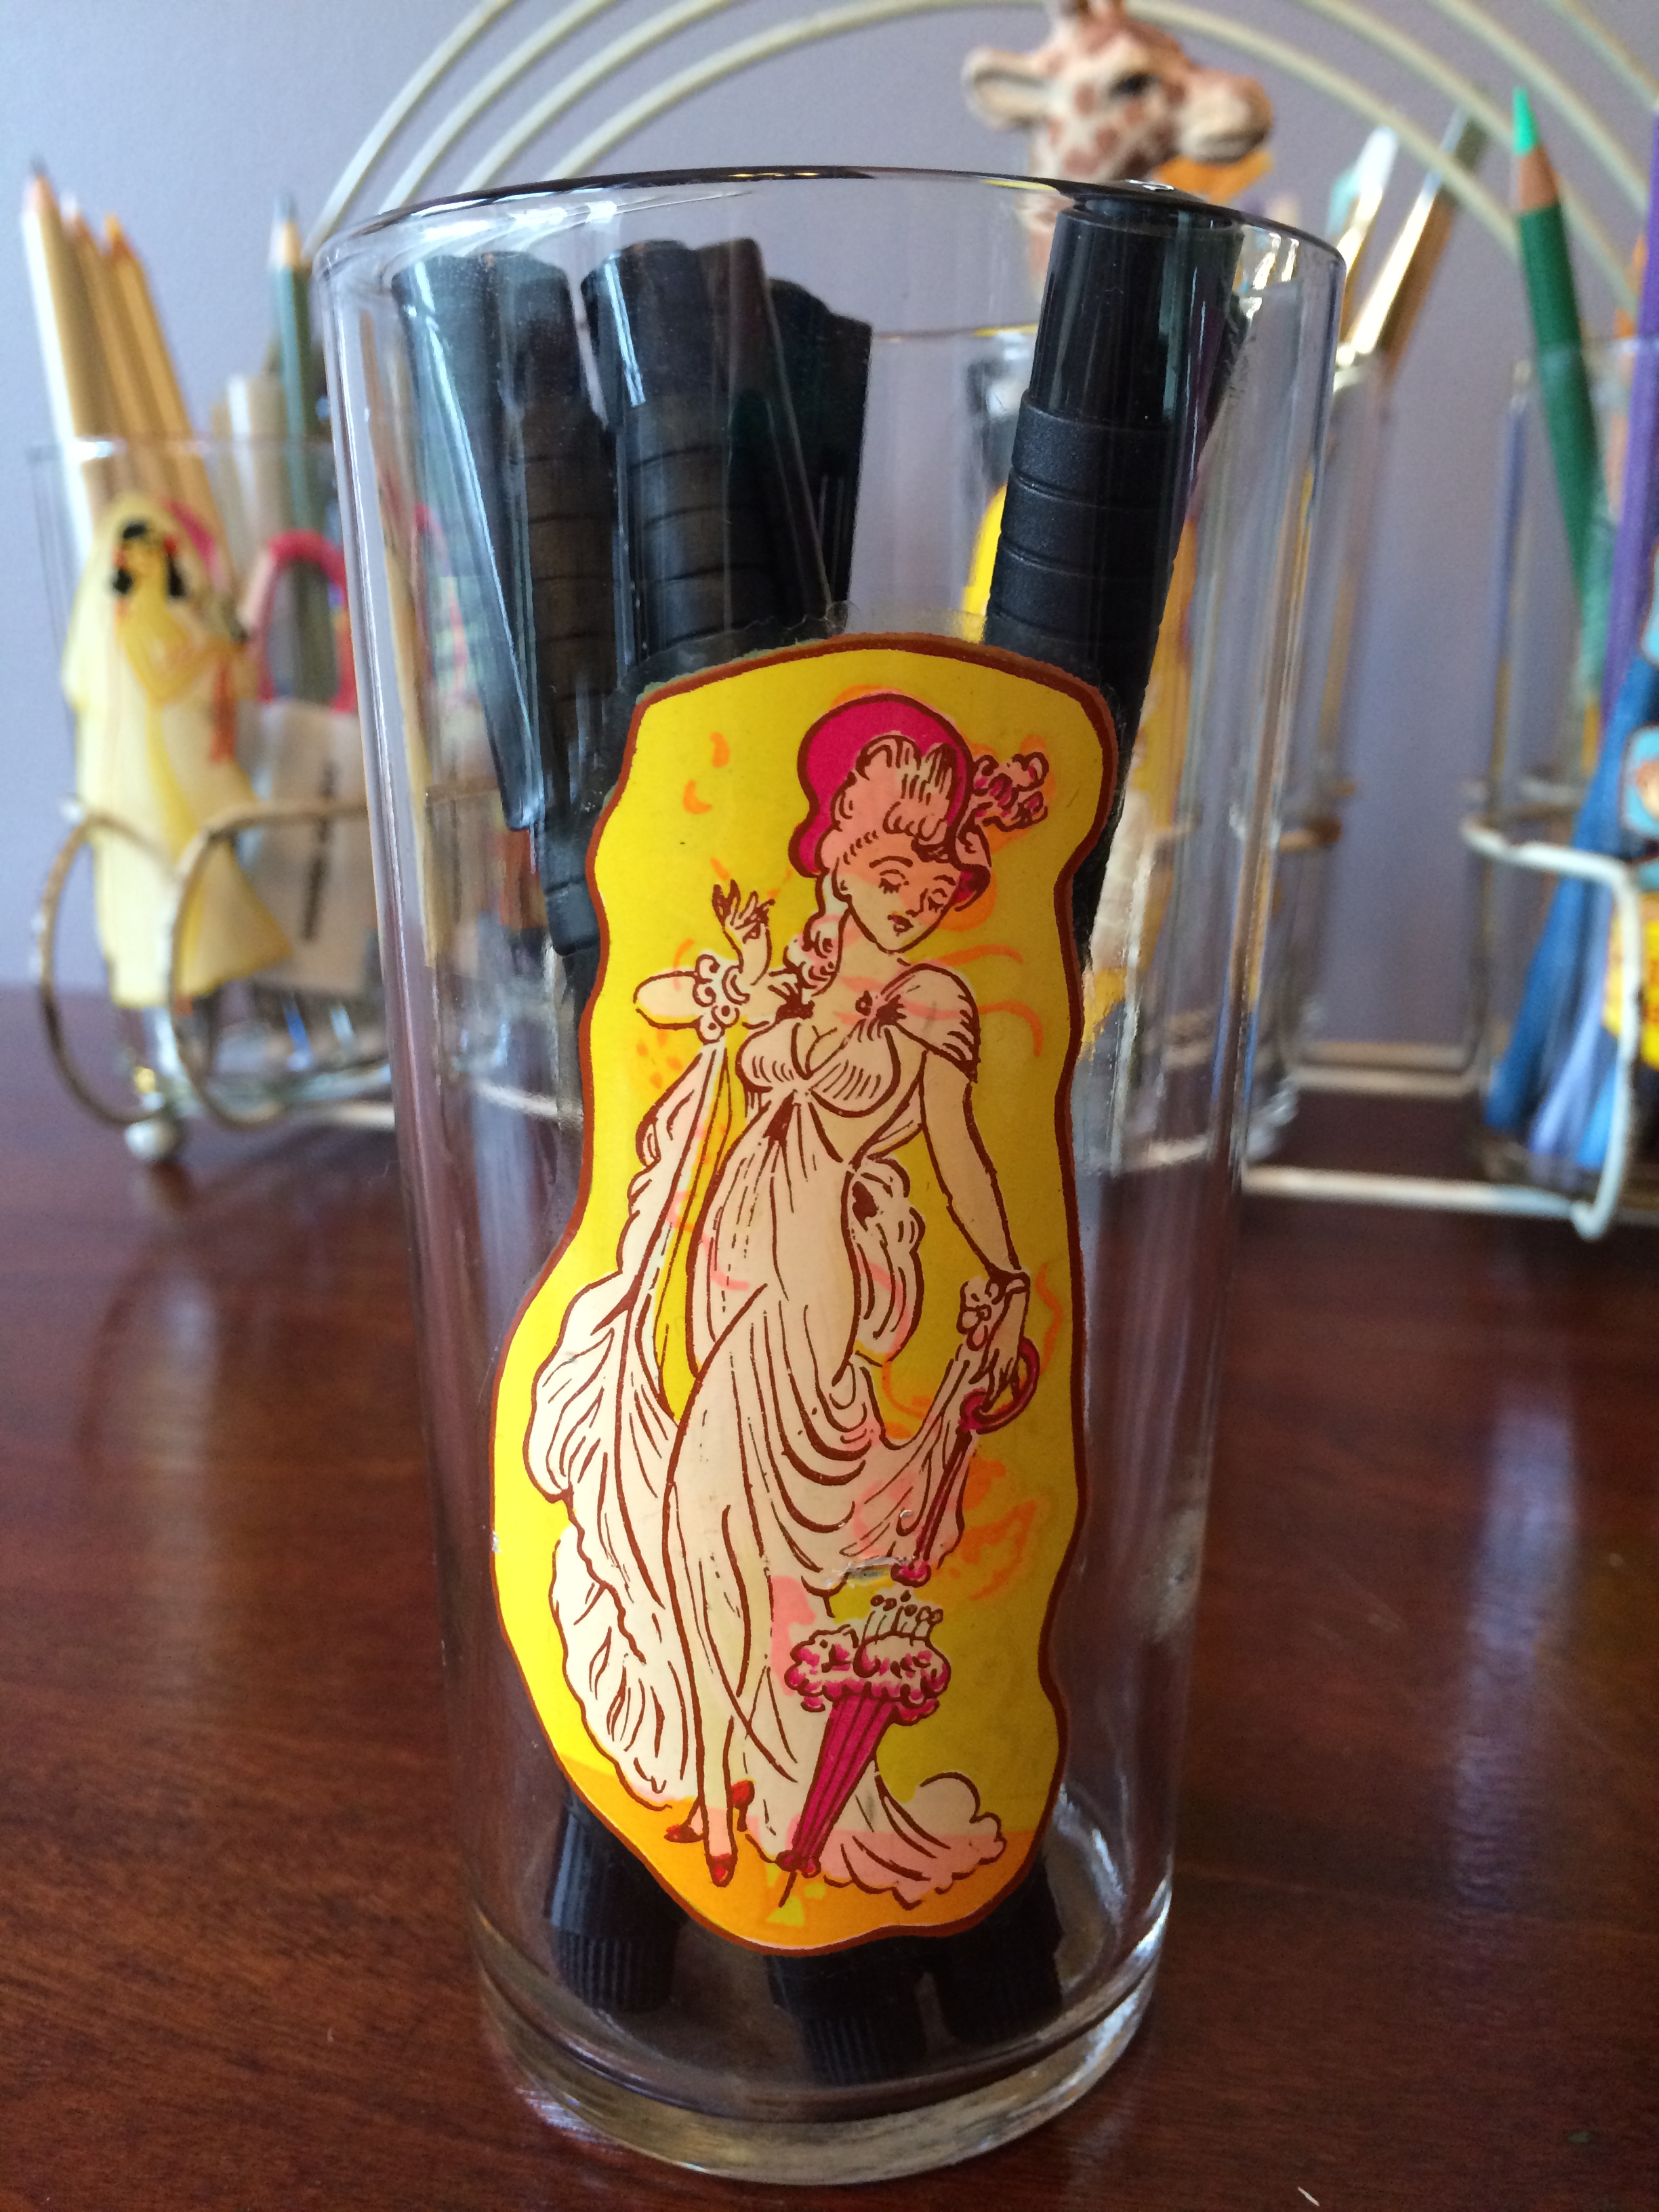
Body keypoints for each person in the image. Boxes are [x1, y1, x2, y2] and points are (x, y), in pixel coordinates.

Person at [525, 692, 1048, 1898]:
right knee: (700, 1534)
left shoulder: (931, 1003)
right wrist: (742, 986)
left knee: (708, 1510)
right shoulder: (798, 982)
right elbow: (657, 999)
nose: (915, 899)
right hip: (728, 1261)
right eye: (893, 871)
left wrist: (1009, 1270)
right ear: (843, 862)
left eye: (936, 882)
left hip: (809, 1284)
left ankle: (735, 1789)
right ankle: (717, 1785)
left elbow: (961, 1154)